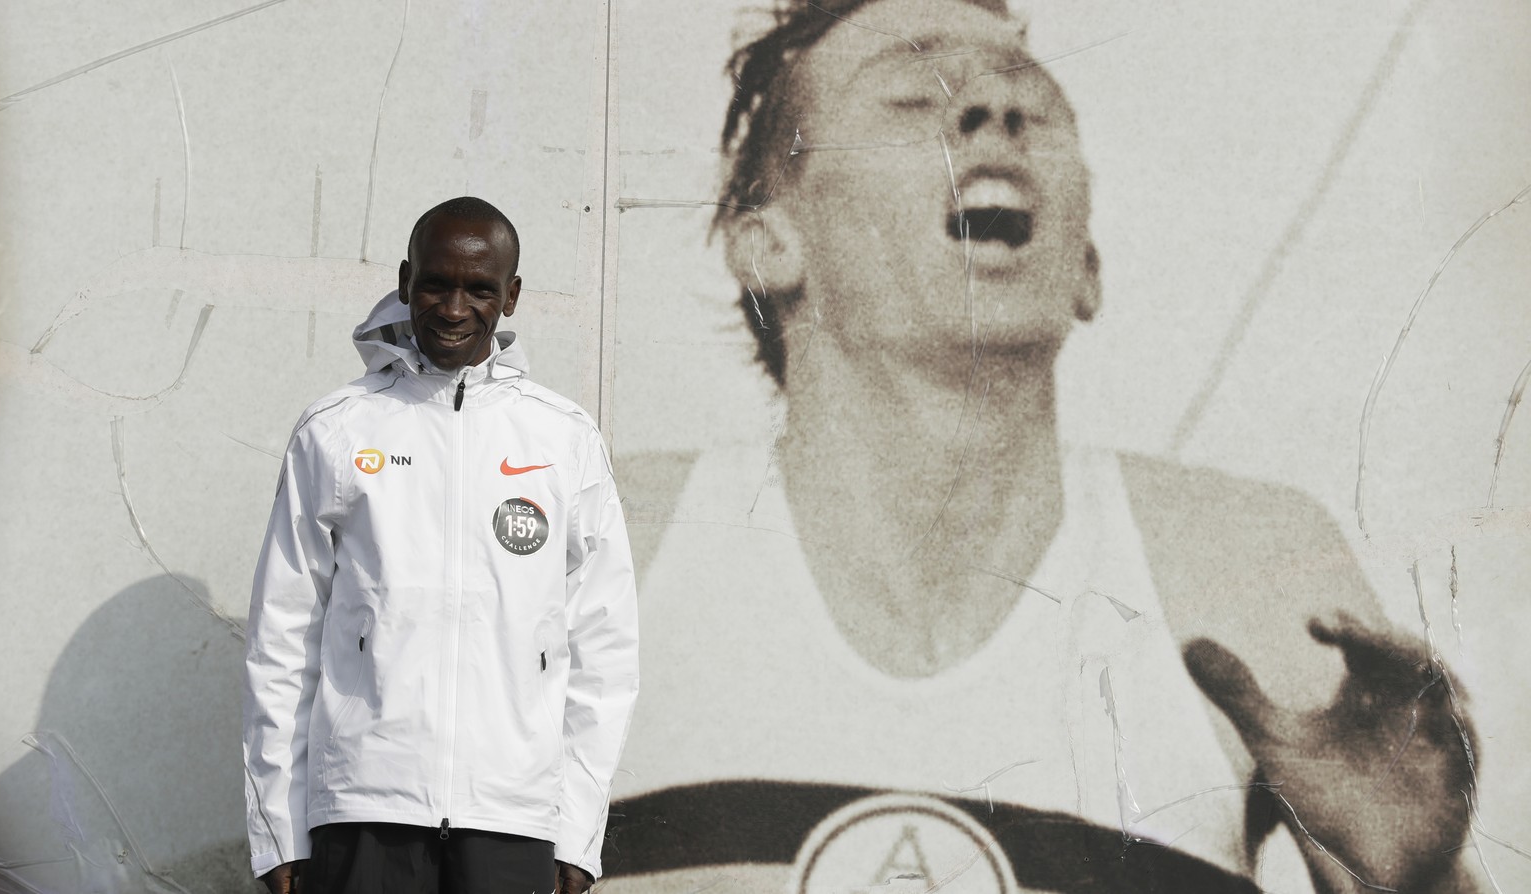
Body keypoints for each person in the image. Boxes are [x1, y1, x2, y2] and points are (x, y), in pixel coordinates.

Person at [603, 2, 1477, 892]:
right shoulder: (613, 543)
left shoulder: (1251, 568)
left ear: (1085, 269)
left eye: (1032, 97)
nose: (994, 110)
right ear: (769, 243)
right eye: (912, 93)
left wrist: (1424, 882)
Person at [244, 197, 640, 894]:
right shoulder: (339, 430)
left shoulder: (561, 440)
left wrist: (577, 831)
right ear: (405, 281)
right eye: (436, 284)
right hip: (364, 810)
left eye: (480, 289)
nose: (454, 308)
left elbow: (605, 648)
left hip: (514, 816)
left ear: (510, 296)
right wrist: (278, 826)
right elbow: (282, 638)